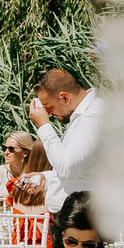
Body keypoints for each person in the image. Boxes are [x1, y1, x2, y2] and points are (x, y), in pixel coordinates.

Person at [28, 67, 103, 213]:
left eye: (48, 107)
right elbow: (80, 171)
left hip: (83, 219)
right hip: (72, 216)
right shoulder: (80, 117)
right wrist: (46, 179)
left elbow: (68, 170)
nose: (48, 114)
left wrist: (44, 126)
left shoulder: (93, 117)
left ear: (64, 97)